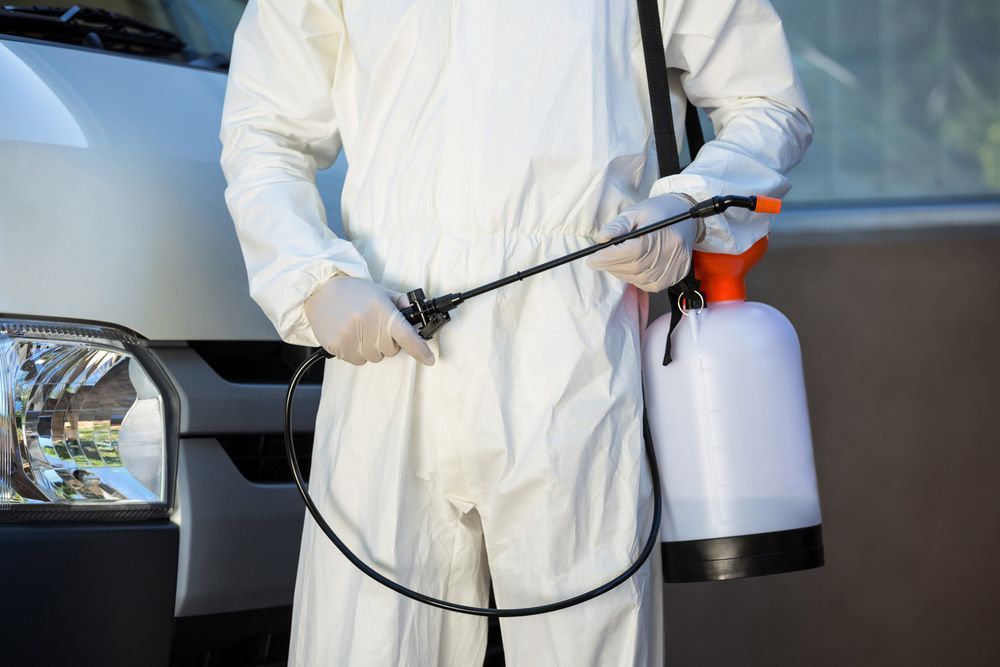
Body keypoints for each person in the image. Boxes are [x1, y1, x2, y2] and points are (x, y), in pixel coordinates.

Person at [219, 0, 812, 664]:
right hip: (388, 342)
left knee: (584, 644)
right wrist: (312, 277)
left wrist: (688, 204)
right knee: (369, 644)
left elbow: (768, 102)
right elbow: (265, 128)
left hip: (572, 347)